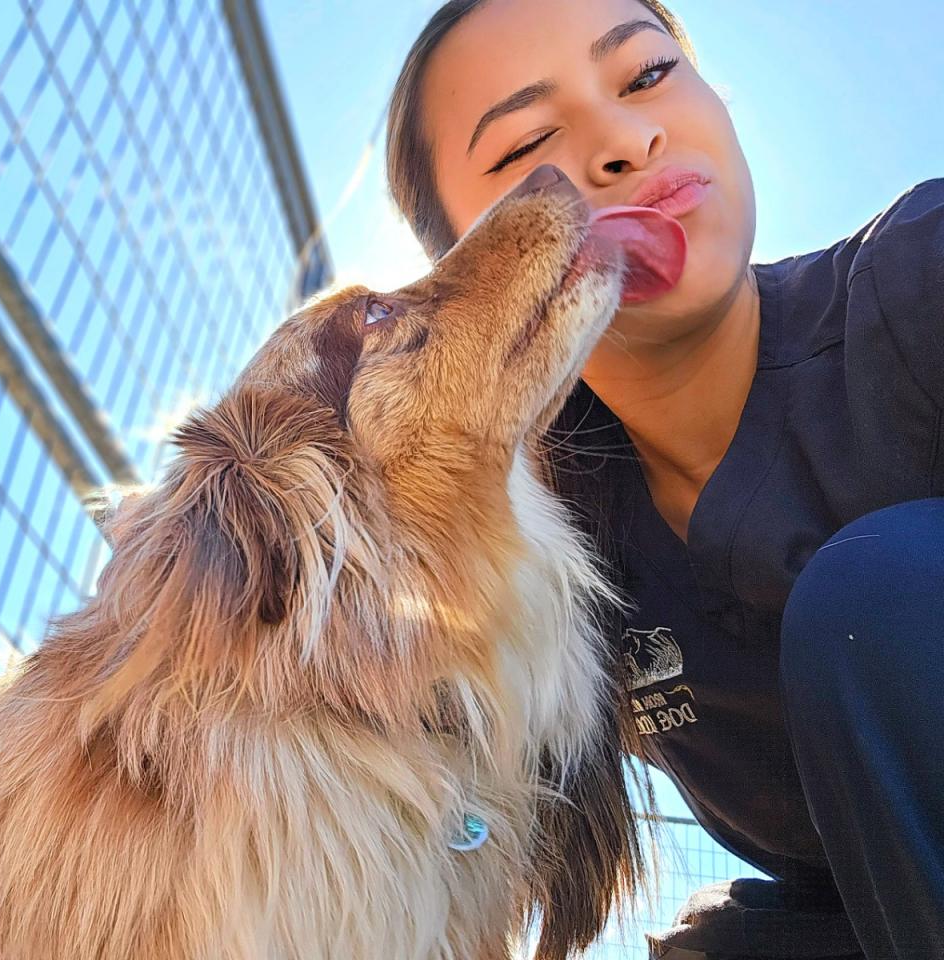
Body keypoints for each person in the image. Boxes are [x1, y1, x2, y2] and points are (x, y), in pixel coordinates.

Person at [383, 1, 944, 958]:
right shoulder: (534, 550)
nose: (625, 140)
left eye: (646, 75)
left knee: (875, 595)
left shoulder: (919, 281)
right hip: (852, 907)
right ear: (467, 277)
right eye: (527, 145)